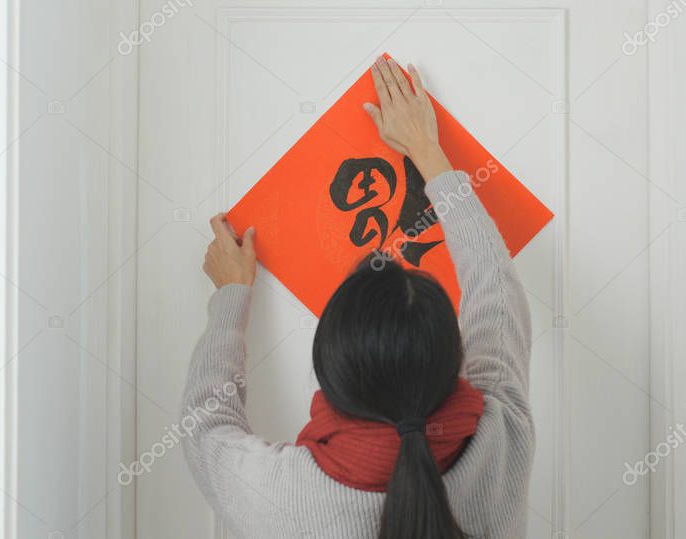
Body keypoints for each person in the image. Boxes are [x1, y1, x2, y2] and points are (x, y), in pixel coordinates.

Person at [183, 56, 535, 538]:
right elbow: (496, 288)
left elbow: (206, 425)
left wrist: (231, 296)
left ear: (326, 374)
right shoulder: (500, 440)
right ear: (454, 361)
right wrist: (427, 153)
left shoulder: (281, 493)